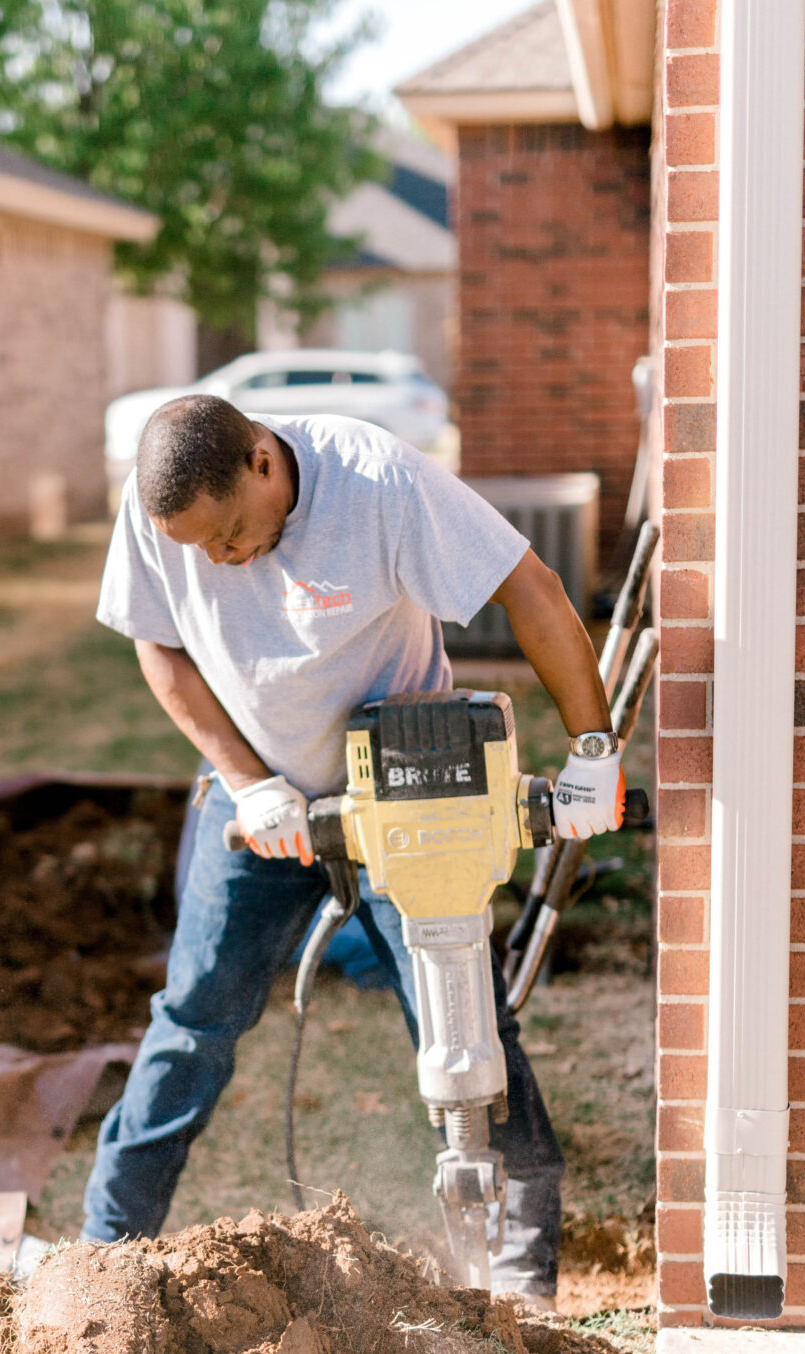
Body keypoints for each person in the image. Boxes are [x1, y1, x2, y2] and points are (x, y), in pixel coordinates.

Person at [80, 396, 623, 1306]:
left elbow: (528, 586)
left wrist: (593, 749)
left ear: (262, 462)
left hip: (403, 781)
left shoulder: (376, 480)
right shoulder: (161, 506)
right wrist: (250, 783)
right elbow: (161, 649)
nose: (219, 560)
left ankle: (521, 1264)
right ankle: (99, 1255)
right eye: (199, 550)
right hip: (259, 798)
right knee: (193, 1019)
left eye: (229, 536)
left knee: (461, 1016)